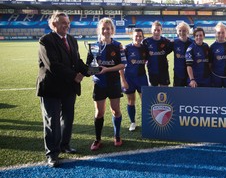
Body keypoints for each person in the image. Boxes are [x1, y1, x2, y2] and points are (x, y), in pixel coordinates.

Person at [36, 11, 88, 167]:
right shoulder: (46, 40)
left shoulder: (72, 40)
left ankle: (64, 145)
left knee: (67, 118)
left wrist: (90, 69)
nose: (66, 25)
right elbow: (53, 65)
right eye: (62, 23)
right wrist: (74, 76)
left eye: (67, 23)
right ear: (53, 25)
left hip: (68, 88)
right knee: (52, 122)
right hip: (51, 88)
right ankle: (52, 153)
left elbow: (76, 61)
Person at [88, 17, 127, 151]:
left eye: (108, 28)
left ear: (112, 30)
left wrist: (107, 69)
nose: (106, 31)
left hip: (113, 83)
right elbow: (89, 66)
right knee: (99, 112)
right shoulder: (93, 46)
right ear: (100, 30)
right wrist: (93, 69)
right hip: (99, 84)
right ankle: (97, 139)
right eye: (103, 28)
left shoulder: (118, 45)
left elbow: (123, 64)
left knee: (116, 110)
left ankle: (117, 136)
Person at [120, 29, 148, 132]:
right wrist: (123, 80)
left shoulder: (145, 48)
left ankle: (146, 121)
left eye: (140, 36)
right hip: (129, 79)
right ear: (132, 36)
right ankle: (133, 122)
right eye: (136, 36)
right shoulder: (127, 48)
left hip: (142, 78)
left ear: (142, 37)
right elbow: (121, 65)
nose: (138, 38)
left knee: (145, 101)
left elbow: (149, 59)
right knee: (131, 101)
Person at [142, 21, 173, 86]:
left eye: (158, 30)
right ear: (151, 30)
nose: (156, 32)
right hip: (152, 71)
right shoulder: (146, 42)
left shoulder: (166, 42)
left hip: (163, 72)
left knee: (164, 92)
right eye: (154, 30)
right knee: (153, 92)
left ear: (161, 31)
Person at [209, 22, 226, 87]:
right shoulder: (212, 47)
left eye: (223, 32)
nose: (221, 35)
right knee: (216, 96)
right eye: (219, 32)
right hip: (216, 77)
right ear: (216, 33)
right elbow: (210, 64)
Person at [172, 22, 193, 86]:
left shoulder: (192, 43)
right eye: (180, 30)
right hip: (178, 73)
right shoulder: (174, 43)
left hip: (190, 73)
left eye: (184, 30)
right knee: (177, 93)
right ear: (177, 32)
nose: (182, 32)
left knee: (190, 93)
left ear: (188, 31)